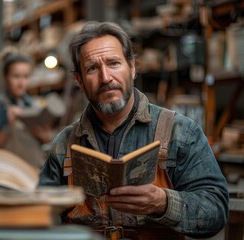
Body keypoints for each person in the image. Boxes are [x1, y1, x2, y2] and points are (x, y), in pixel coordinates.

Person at [38, 21, 229, 239]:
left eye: (114, 63)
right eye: (92, 68)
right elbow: (40, 215)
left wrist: (163, 203)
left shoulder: (181, 132)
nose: (106, 78)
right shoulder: (65, 145)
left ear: (133, 68)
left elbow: (216, 210)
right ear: (79, 80)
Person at [0, 51, 53, 168]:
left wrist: (45, 136)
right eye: (16, 76)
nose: (21, 83)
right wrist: (9, 124)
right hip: (8, 172)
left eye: (25, 76)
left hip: (33, 171)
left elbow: (46, 141)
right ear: (5, 77)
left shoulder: (33, 106)